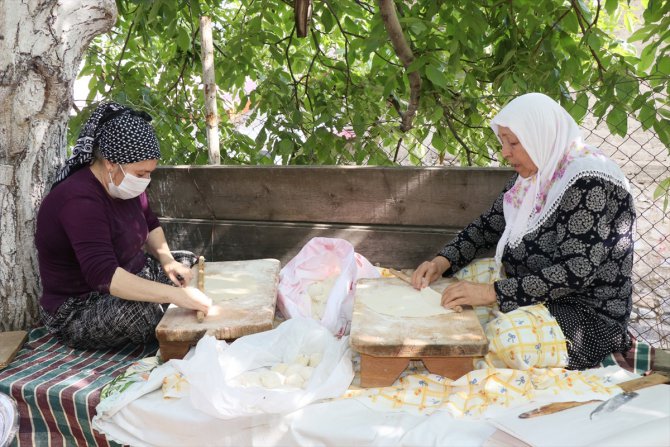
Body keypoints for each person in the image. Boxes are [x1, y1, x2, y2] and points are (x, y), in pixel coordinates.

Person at [412, 93, 636, 370]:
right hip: (530, 291)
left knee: (504, 339)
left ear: (540, 137)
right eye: (503, 141)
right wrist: (440, 262)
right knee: (446, 287)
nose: (505, 152)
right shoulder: (535, 176)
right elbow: (488, 226)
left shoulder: (589, 183)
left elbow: (575, 271)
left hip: (585, 314)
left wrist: (490, 293)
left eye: (514, 143)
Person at [36, 102, 212, 350]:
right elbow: (104, 276)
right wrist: (176, 296)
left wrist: (167, 261)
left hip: (133, 273)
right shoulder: (79, 200)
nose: (146, 180)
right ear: (110, 163)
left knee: (187, 262)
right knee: (144, 312)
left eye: (150, 173)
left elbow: (150, 223)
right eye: (140, 174)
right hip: (81, 308)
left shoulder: (124, 184)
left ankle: (172, 303)